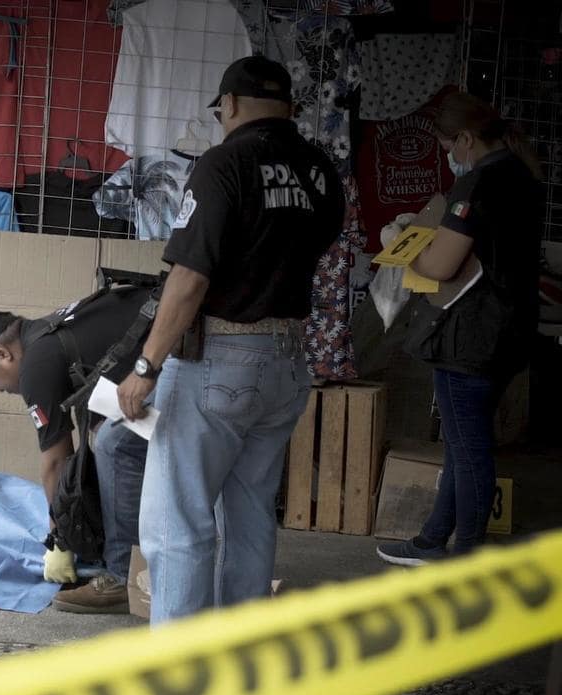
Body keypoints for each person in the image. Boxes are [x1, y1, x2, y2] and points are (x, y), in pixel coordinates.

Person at [116, 56, 345, 624]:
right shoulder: (320, 169)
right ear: (288, 107)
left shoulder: (224, 164)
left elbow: (189, 278)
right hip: (289, 360)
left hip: (219, 361)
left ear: (232, 105)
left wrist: (146, 366)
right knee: (248, 515)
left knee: (179, 522)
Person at [377, 93, 544, 566]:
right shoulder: (524, 177)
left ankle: (467, 557)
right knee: (461, 441)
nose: (449, 155)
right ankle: (433, 539)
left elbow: (443, 265)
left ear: (466, 139)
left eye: (449, 144)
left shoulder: (478, 184)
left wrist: (402, 244)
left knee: (468, 449)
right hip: (510, 330)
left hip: (470, 334)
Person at [0, 286, 153, 614]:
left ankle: (123, 575)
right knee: (110, 438)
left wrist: (60, 541)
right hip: (177, 349)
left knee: (115, 445)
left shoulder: (36, 366)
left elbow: (57, 461)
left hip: (179, 353)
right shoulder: (51, 334)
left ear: (2, 353)